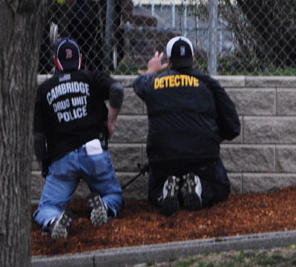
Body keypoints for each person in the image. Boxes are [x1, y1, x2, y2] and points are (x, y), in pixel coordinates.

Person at [133, 36, 241, 216]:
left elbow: (138, 84)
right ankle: (200, 188)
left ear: (168, 61)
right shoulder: (208, 83)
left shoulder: (153, 83)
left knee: (154, 193)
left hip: (164, 160)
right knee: (220, 189)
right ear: (193, 59)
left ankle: (166, 191)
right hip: (202, 159)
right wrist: (213, 137)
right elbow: (233, 127)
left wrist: (151, 70)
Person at [33, 38, 124, 238]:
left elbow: (38, 137)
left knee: (47, 207)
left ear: (55, 61)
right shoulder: (91, 77)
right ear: (80, 59)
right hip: (93, 151)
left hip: (62, 158)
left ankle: (54, 220)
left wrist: (42, 163)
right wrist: (111, 121)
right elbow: (117, 89)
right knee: (114, 195)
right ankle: (106, 207)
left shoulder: (44, 89)